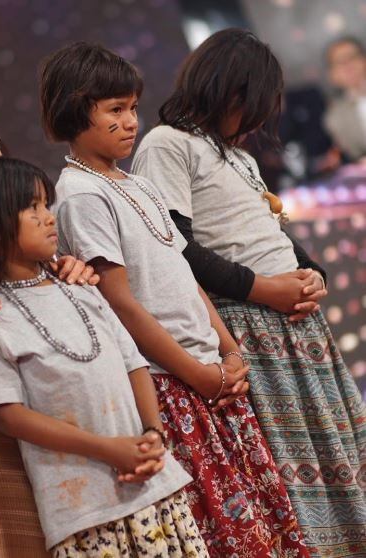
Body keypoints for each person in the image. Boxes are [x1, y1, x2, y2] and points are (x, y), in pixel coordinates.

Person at [42, 41, 309, 557]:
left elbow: (185, 275)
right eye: (114, 110)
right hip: (173, 382)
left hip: (212, 370)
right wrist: (196, 371)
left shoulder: (137, 185)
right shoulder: (79, 194)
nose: (130, 122)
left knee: (266, 517)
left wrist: (230, 351)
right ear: (75, 111)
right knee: (227, 531)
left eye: (133, 108)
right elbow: (122, 304)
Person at [132, 28, 366, 558]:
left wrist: (312, 274)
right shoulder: (167, 144)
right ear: (226, 91)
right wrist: (264, 290)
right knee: (289, 465)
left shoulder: (239, 158)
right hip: (249, 330)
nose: (256, 121)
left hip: (297, 328)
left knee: (337, 452)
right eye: (252, 105)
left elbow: (270, 232)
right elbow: (178, 250)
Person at [0, 156, 206, 558]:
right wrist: (109, 450)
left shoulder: (83, 287)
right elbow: (9, 416)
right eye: (32, 208)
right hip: (84, 511)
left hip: (153, 485)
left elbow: (134, 364)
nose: (49, 217)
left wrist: (153, 434)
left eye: (46, 204)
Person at [0, 91, 99, 557]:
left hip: (17, 331)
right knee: (8, 528)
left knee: (79, 506)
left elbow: (10, 218)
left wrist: (56, 264)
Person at [324, 36, 366, 161]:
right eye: (339, 62)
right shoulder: (335, 117)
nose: (347, 65)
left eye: (352, 57)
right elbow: (356, 156)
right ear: (332, 75)